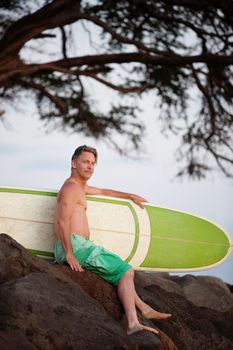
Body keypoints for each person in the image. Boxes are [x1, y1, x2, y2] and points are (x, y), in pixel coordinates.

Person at [54, 145, 171, 335]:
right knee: (126, 270)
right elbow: (62, 219)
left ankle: (144, 308)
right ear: (73, 163)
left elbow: (103, 191)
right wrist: (69, 253)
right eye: (85, 162)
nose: (90, 167)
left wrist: (129, 196)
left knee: (117, 275)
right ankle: (133, 323)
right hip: (77, 247)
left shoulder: (79, 187)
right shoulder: (70, 188)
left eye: (93, 163)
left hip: (78, 247)